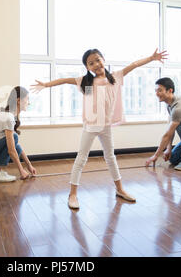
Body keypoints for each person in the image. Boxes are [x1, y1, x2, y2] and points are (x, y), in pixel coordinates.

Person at [32, 48, 168, 209]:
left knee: (110, 157)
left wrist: (152, 58)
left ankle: (120, 189)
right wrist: (46, 84)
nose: (96, 64)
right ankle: (73, 194)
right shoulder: (86, 82)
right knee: (81, 159)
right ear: (88, 68)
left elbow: (134, 65)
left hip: (106, 126)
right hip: (91, 126)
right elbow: (64, 80)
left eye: (98, 60)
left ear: (103, 59)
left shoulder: (115, 77)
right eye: (91, 63)